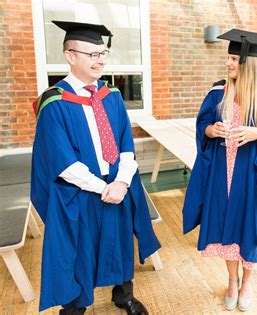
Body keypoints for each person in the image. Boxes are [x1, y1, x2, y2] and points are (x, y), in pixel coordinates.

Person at [31, 21, 160, 315]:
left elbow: (127, 146)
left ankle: (123, 295)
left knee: (121, 242)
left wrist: (122, 183)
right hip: (80, 192)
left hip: (117, 185)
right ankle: (75, 307)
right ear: (70, 55)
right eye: (92, 54)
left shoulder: (111, 96)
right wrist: (104, 188)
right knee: (79, 251)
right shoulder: (54, 102)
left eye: (103, 54)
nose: (100, 60)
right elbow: (62, 162)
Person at [182, 29, 257, 312]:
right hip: (223, 172)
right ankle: (232, 280)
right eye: (229, 58)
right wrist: (211, 129)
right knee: (225, 227)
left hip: (253, 176)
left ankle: (248, 283)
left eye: (234, 59)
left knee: (250, 226)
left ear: (249, 63)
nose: (229, 63)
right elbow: (202, 125)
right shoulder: (218, 92)